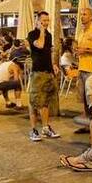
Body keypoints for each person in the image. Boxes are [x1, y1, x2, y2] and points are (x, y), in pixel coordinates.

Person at [27, 11, 60, 141]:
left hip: (48, 72)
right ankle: (34, 130)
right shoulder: (32, 34)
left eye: (47, 20)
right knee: (34, 102)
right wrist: (41, 30)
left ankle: (45, 128)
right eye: (43, 20)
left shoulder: (49, 35)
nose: (46, 23)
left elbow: (48, 52)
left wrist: (53, 65)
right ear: (38, 20)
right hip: (37, 73)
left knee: (45, 101)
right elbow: (40, 45)